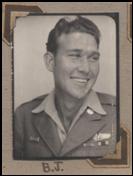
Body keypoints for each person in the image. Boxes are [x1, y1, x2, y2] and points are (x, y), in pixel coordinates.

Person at [14, 16, 117, 159]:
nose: (86, 69)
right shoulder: (23, 116)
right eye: (75, 56)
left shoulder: (118, 113)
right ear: (50, 62)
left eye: (93, 58)